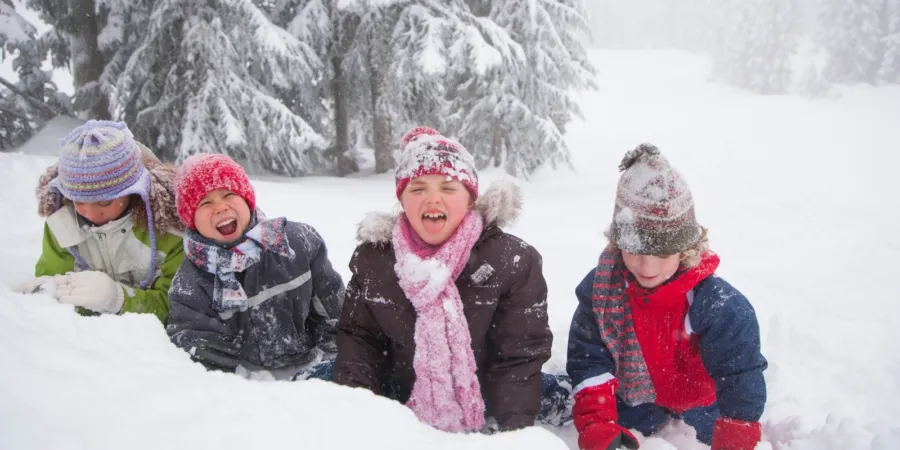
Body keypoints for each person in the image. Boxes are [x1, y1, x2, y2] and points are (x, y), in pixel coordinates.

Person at [334, 126, 553, 433]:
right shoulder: (375, 261)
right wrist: (358, 419)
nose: (432, 199)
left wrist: (514, 433)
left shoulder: (511, 261)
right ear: (402, 200)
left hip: (487, 397)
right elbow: (359, 342)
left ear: (470, 200)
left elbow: (519, 356)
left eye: (448, 189)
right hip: (400, 396)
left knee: (553, 393)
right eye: (418, 189)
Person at [567, 144, 767, 450]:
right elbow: (590, 358)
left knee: (705, 431)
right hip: (634, 400)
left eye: (662, 253)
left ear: (685, 247)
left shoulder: (717, 304)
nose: (647, 267)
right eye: (635, 251)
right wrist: (597, 422)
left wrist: (736, 431)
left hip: (700, 407)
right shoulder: (603, 291)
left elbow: (739, 374)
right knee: (578, 402)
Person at [165, 153, 344, 379]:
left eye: (229, 194)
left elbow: (334, 312)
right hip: (250, 391)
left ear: (247, 200)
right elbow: (202, 356)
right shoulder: (190, 283)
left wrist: (334, 367)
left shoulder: (297, 243)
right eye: (205, 203)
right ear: (191, 220)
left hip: (313, 370)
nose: (220, 207)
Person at [15, 120, 184, 323]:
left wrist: (119, 299)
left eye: (104, 202)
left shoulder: (168, 229)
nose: (91, 214)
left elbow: (178, 308)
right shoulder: (62, 225)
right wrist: (47, 295)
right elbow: (57, 296)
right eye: (79, 201)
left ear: (134, 191)